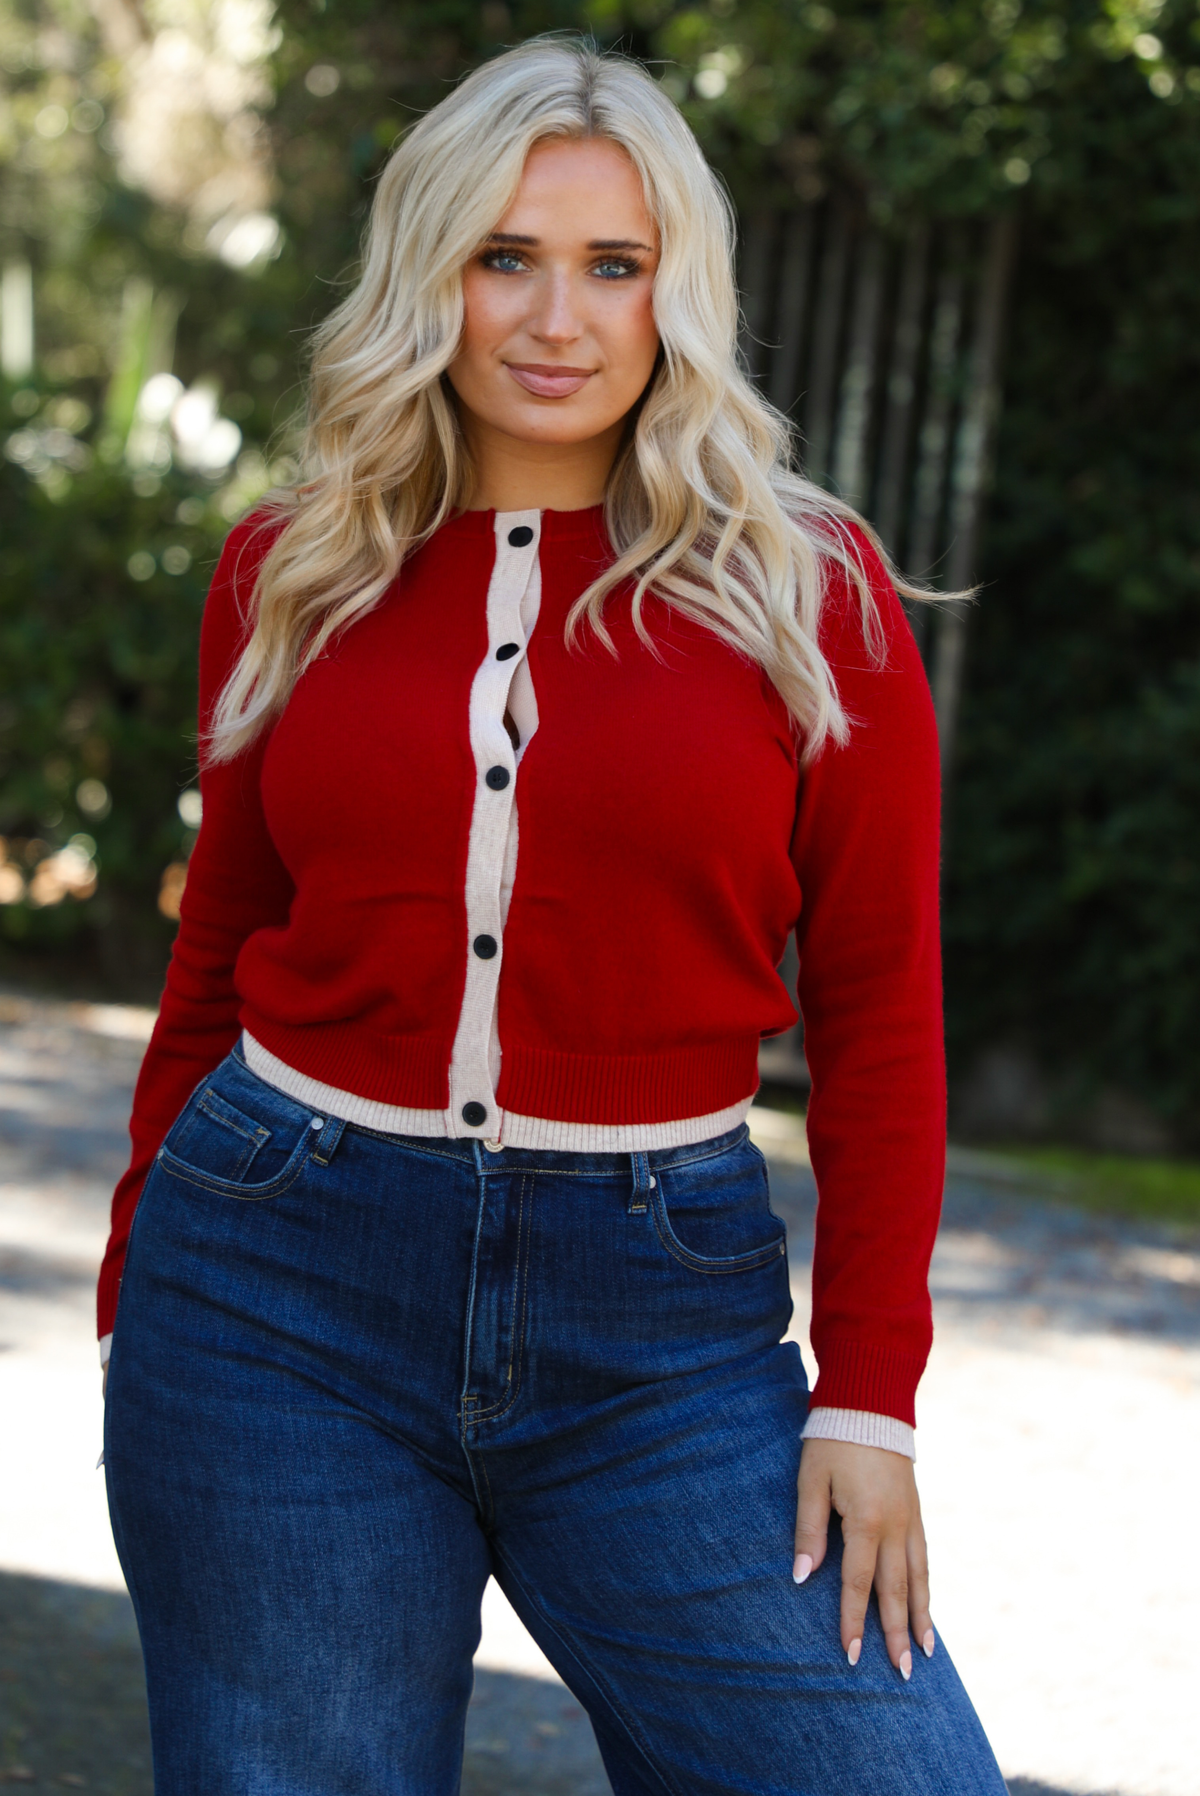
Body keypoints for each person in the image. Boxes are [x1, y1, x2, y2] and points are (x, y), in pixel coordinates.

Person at [100, 37, 1006, 1795]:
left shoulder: (815, 603)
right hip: (275, 1299)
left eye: (615, 264)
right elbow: (219, 947)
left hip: (660, 1331)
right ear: (427, 270)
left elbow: (885, 1016)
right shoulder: (292, 568)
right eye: (503, 256)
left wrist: (870, 1395)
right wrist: (147, 1263)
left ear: (682, 288)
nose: (556, 317)